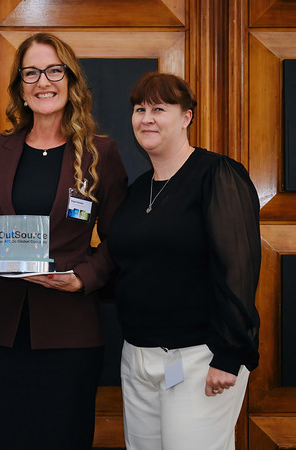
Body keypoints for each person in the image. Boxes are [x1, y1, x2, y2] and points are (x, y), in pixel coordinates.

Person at [0, 33, 128, 450]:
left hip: (70, 332)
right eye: (31, 72)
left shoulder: (100, 153)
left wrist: (83, 278)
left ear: (70, 81)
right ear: (20, 87)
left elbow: (121, 239)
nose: (43, 81)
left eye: (53, 70)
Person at [107, 72, 261, 450]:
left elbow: (237, 269)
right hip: (138, 358)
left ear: (187, 117)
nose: (146, 118)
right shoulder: (137, 190)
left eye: (159, 108)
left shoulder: (217, 174)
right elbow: (127, 269)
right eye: (140, 109)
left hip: (199, 361)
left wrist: (228, 355)